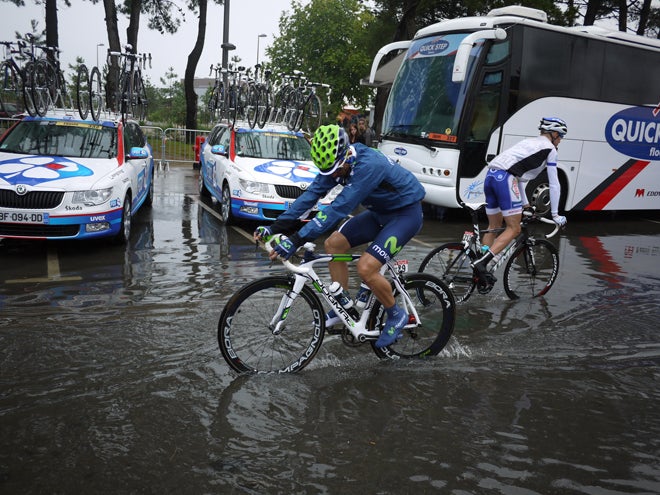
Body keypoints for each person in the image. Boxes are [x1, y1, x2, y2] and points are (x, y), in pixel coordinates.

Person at [253, 124, 426, 348]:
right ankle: (342, 307)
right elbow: (310, 197)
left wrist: (296, 239)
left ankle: (396, 314)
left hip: (405, 215)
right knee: (333, 244)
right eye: (328, 172)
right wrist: (275, 227)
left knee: (366, 268)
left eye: (336, 170)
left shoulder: (368, 165)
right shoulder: (335, 163)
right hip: (379, 213)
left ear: (347, 155)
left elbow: (337, 209)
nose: (333, 175)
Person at [471, 117, 568, 293]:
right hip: (505, 180)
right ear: (553, 134)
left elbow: (521, 178)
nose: (560, 140)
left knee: (494, 226)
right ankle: (482, 263)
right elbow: (554, 184)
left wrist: (524, 205)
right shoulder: (550, 150)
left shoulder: (528, 143)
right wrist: (555, 215)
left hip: (491, 176)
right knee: (514, 229)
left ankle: (481, 266)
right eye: (560, 136)